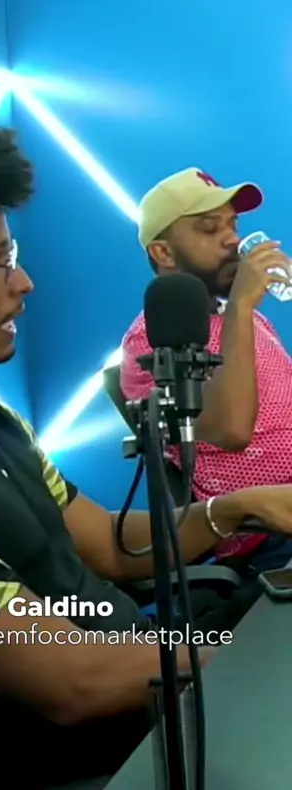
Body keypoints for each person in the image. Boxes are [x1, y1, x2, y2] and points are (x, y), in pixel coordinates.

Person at [0, 103, 292, 789]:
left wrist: (240, 506)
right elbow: (75, 679)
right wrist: (241, 656)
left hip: (158, 683)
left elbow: (109, 548)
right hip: (116, 753)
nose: (24, 282)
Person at [121, 165, 292, 576]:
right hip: (269, 536)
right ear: (164, 253)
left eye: (232, 225)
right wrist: (240, 306)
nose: (231, 239)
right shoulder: (154, 338)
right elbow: (232, 429)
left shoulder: (252, 322)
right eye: (210, 228)